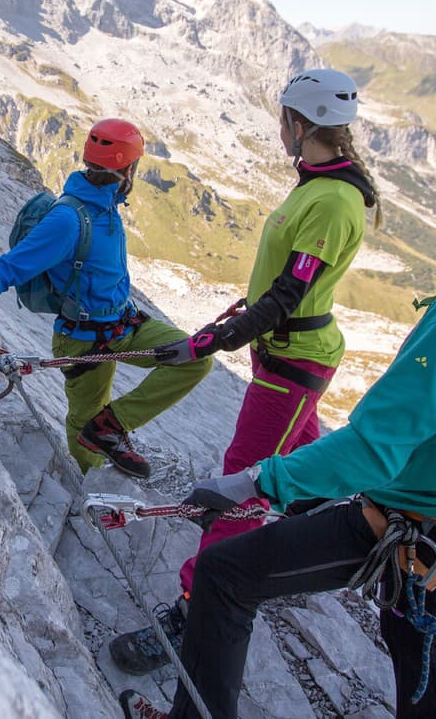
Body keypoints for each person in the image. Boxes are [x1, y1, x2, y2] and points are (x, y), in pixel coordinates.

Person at [118, 126, 436, 719]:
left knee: (226, 574)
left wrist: (255, 483)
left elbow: (375, 447)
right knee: (416, 641)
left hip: (410, 523)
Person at [110, 68, 380, 674]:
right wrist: (235, 324)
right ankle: (322, 536)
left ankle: (191, 610)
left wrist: (211, 343)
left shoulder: (332, 200)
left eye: (283, 119)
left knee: (242, 482)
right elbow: (283, 286)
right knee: (301, 456)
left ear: (300, 124)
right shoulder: (319, 184)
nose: (279, 129)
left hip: (292, 361)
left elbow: (288, 295)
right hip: (289, 354)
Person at [0, 118, 212, 479]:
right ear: (128, 170)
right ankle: (90, 480)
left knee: (196, 357)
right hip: (82, 339)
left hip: (124, 325)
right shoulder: (68, 220)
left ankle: (110, 427)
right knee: (82, 419)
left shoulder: (107, 205)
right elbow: (5, 268)